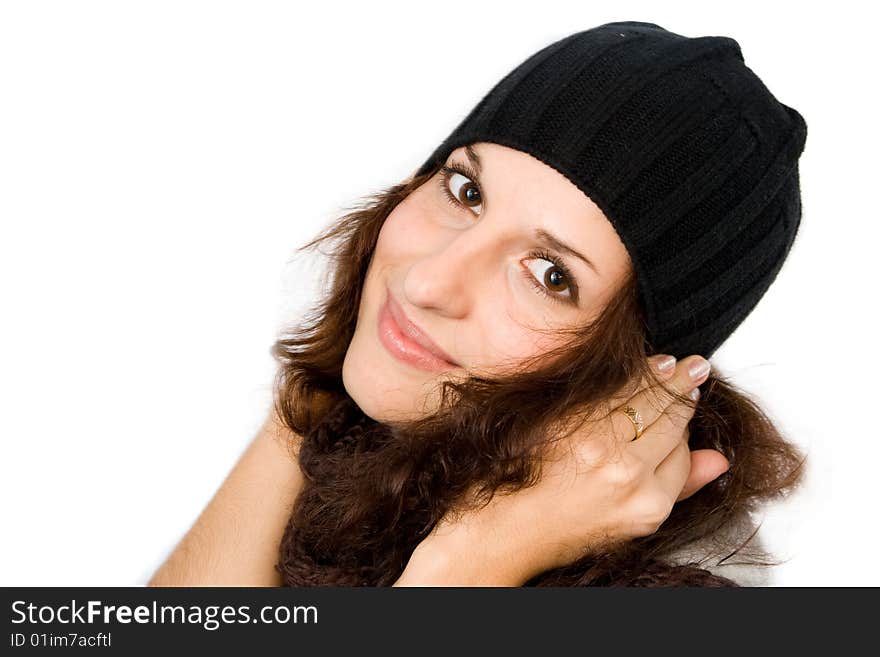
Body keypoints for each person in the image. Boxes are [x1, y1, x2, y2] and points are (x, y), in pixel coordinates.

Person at [148, 21, 807, 587]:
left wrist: (478, 561)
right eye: (465, 192)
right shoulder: (361, 437)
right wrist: (309, 395)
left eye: (550, 275)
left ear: (641, 370)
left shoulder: (684, 585)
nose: (427, 283)